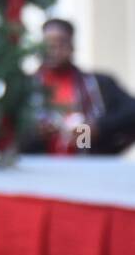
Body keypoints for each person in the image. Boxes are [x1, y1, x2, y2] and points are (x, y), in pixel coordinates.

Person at [21, 17, 135, 156]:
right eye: (49, 44)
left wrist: (97, 127)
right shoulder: (26, 86)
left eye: (61, 42)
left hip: (87, 170)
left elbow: (131, 112)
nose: (55, 49)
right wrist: (36, 133)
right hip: (39, 170)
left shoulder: (98, 84)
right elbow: (4, 134)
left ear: (72, 46)